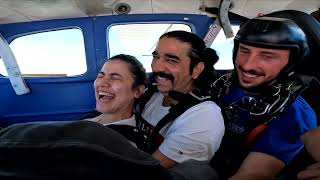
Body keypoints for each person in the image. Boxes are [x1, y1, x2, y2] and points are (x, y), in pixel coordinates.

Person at [209, 16, 317, 179]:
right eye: (244, 51)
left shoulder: (293, 111)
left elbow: (252, 174)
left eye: (267, 56)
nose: (247, 65)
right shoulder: (222, 84)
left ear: (291, 62)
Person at [136, 31, 225, 168]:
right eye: (156, 56)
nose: (156, 67)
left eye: (171, 60)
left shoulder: (204, 117)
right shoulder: (152, 93)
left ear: (196, 69)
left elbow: (148, 171)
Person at [84, 54, 148, 145]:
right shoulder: (95, 116)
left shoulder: (123, 143)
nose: (102, 83)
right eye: (100, 76)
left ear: (137, 91)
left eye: (115, 78)